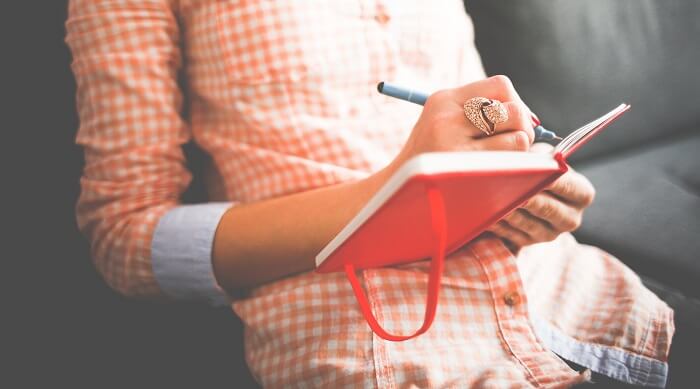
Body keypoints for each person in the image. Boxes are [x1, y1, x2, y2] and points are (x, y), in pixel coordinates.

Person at [66, 0, 674, 387]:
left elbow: (477, 116)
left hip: (578, 304)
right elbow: (125, 239)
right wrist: (397, 190)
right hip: (380, 343)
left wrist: (527, 180)